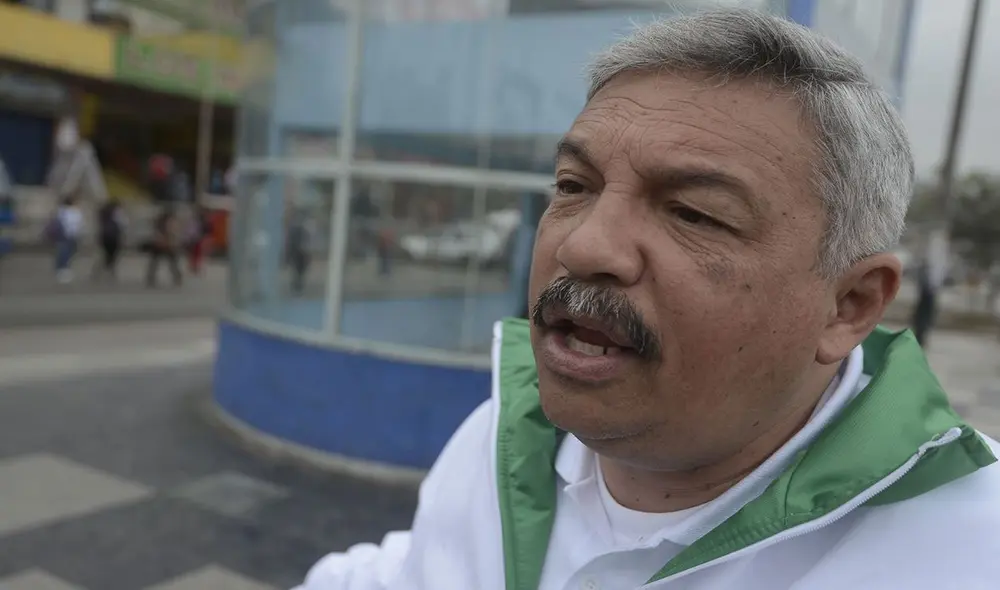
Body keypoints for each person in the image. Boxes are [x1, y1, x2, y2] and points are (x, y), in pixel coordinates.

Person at [295, 9, 1000, 590]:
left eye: (693, 213)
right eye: (574, 187)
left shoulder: (970, 549)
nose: (585, 248)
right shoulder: (504, 433)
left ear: (849, 304)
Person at [48, 196, 83, 284]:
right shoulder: (69, 211)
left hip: (67, 234)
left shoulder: (62, 211)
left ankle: (62, 268)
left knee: (66, 251)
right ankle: (62, 269)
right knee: (65, 252)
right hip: (67, 234)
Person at [145, 206, 182, 288]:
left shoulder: (162, 222)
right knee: (169, 262)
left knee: (168, 262)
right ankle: (177, 277)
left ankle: (151, 277)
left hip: (164, 245)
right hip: (165, 245)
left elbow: (172, 234)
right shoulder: (169, 222)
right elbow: (172, 234)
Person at [92, 199, 126, 281]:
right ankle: (109, 271)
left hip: (105, 236)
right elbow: (123, 224)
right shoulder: (117, 213)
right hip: (114, 236)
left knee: (105, 255)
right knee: (112, 255)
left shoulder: (103, 213)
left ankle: (100, 271)